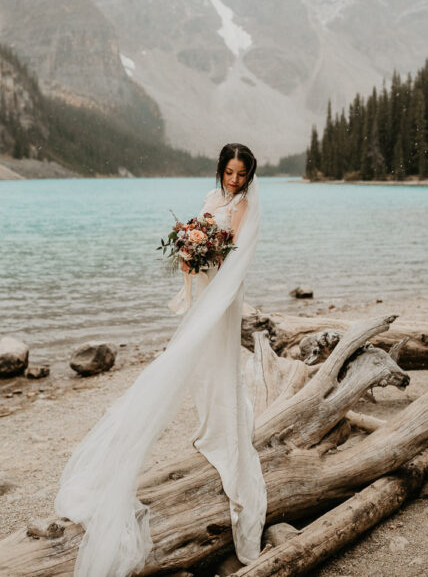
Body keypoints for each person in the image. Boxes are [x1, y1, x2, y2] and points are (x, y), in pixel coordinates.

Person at [55, 143, 266, 577]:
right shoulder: (213, 200)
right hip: (206, 289)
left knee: (217, 359)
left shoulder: (245, 205)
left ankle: (224, 431)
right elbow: (207, 237)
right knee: (203, 362)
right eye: (228, 172)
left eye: (240, 174)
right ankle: (211, 424)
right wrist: (191, 254)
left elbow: (236, 255)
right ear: (220, 170)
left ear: (249, 176)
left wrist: (207, 258)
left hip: (224, 296)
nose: (233, 180)